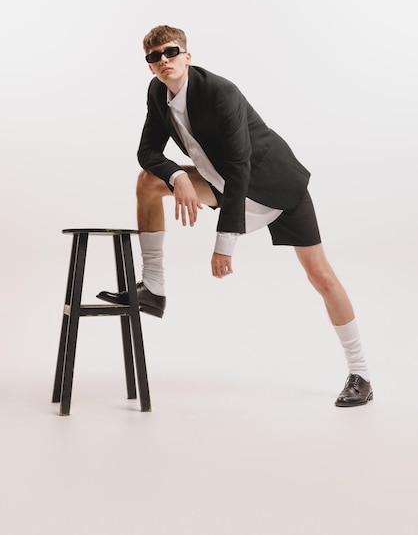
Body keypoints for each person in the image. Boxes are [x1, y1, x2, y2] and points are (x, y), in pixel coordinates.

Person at [97, 24, 373, 407]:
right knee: (149, 181)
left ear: (187, 56)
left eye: (171, 52)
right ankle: (154, 287)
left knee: (320, 275)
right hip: (221, 183)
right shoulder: (157, 94)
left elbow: (240, 165)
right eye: (154, 57)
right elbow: (147, 152)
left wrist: (225, 244)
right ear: (149, 66)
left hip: (275, 184)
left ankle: (360, 373)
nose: (164, 62)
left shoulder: (221, 92)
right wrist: (177, 177)